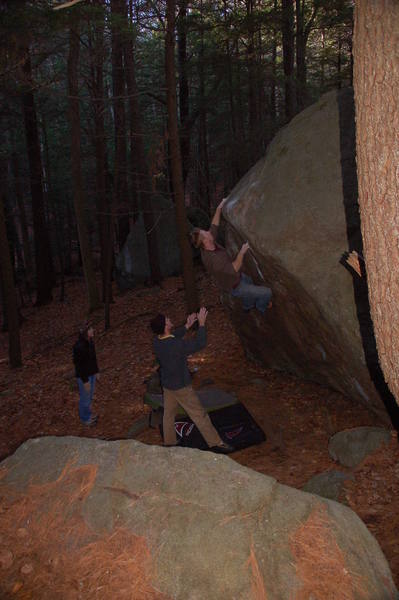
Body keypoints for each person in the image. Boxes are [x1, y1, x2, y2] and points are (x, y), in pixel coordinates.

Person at [150, 307, 234, 453]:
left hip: (168, 385)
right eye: (167, 320)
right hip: (181, 387)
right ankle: (216, 443)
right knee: (199, 414)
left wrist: (187, 326)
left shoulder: (157, 341)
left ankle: (169, 444)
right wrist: (201, 324)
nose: (170, 320)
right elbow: (199, 343)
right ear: (165, 326)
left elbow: (172, 335)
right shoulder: (175, 345)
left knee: (168, 415)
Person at [190, 198, 272, 313]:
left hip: (238, 277)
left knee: (249, 284)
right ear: (205, 241)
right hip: (235, 285)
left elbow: (214, 225)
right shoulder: (214, 260)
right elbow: (234, 268)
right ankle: (260, 307)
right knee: (267, 292)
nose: (209, 232)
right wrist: (242, 252)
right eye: (206, 233)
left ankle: (247, 307)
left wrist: (219, 207)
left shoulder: (209, 242)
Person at [73, 322, 99, 426]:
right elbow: (79, 366)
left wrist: (96, 371)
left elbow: (93, 358)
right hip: (84, 377)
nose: (93, 330)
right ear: (84, 332)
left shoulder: (90, 341)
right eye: (90, 329)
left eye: (92, 328)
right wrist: (85, 381)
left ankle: (88, 414)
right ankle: (85, 419)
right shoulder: (79, 346)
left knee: (89, 396)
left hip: (91, 374)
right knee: (85, 397)